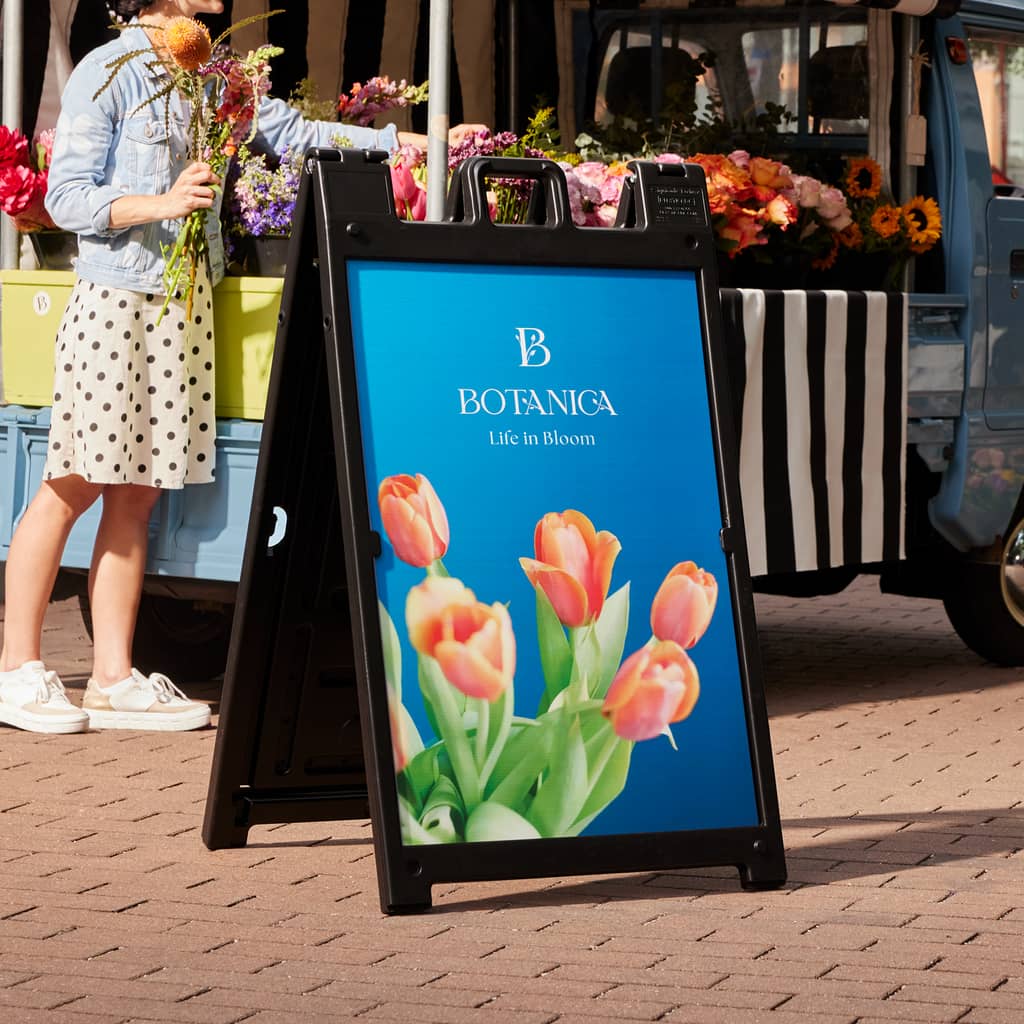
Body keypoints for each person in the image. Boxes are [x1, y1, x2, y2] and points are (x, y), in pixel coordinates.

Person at [0, 0, 480, 734]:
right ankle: (17, 671)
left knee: (137, 492)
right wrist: (160, 202)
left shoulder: (213, 72)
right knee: (72, 480)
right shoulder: (108, 71)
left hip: (187, 303)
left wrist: (423, 141)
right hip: (117, 299)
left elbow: (297, 135)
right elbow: (64, 198)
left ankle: (111, 677)